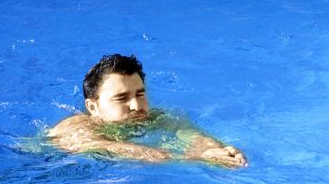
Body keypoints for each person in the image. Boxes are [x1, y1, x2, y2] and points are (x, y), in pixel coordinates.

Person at [48, 54, 247, 168]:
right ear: (93, 107)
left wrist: (214, 150)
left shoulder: (156, 117)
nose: (136, 106)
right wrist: (190, 158)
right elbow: (103, 147)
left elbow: (191, 134)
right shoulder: (74, 128)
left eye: (140, 94)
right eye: (122, 98)